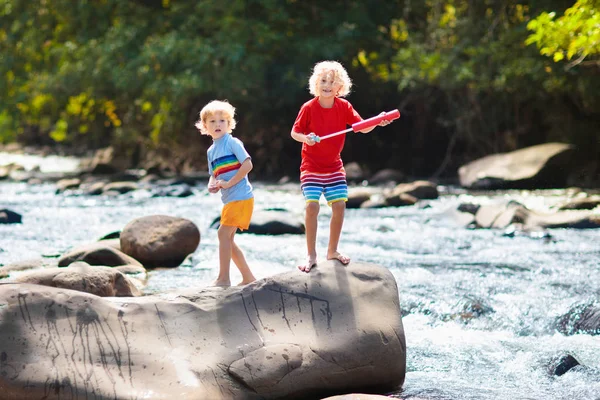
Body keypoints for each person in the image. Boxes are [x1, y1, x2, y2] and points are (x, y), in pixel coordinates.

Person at [290, 60, 393, 272]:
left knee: (339, 206)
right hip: (311, 166)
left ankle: (332, 251)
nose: (327, 85)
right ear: (316, 84)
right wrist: (306, 138)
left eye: (332, 82)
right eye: (323, 81)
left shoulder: (344, 106)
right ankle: (310, 255)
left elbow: (362, 128)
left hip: (334, 168)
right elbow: (294, 133)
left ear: (340, 87)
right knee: (312, 206)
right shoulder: (308, 108)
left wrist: (378, 121)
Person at [196, 100, 256, 286]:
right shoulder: (211, 151)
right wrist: (212, 185)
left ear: (229, 124)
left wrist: (229, 182)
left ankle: (224, 278)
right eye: (212, 121)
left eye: (222, 121)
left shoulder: (232, 142)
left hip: (242, 196)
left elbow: (248, 164)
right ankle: (248, 278)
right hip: (229, 200)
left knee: (223, 235)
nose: (217, 125)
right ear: (205, 126)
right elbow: (213, 175)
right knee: (228, 239)